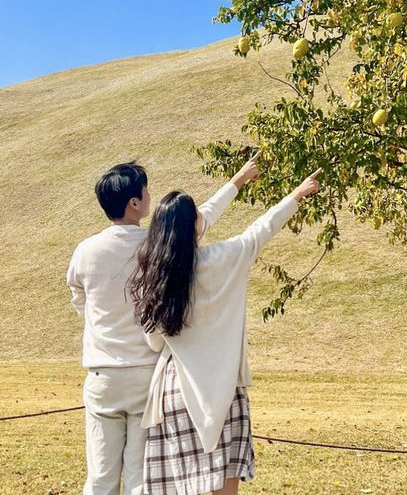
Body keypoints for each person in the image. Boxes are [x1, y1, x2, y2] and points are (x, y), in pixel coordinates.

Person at [66, 153, 261, 495]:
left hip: (101, 377)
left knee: (100, 477)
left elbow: (78, 294)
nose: (150, 197)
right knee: (141, 479)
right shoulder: (156, 248)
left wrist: (96, 321)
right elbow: (204, 217)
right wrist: (238, 180)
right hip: (148, 376)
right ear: (134, 203)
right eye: (146, 191)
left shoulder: (85, 250)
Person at [128, 164, 323, 495]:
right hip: (222, 393)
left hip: (174, 394)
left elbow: (155, 341)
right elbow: (260, 230)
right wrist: (294, 196)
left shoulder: (156, 275)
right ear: (194, 227)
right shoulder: (224, 258)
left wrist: (237, 181)